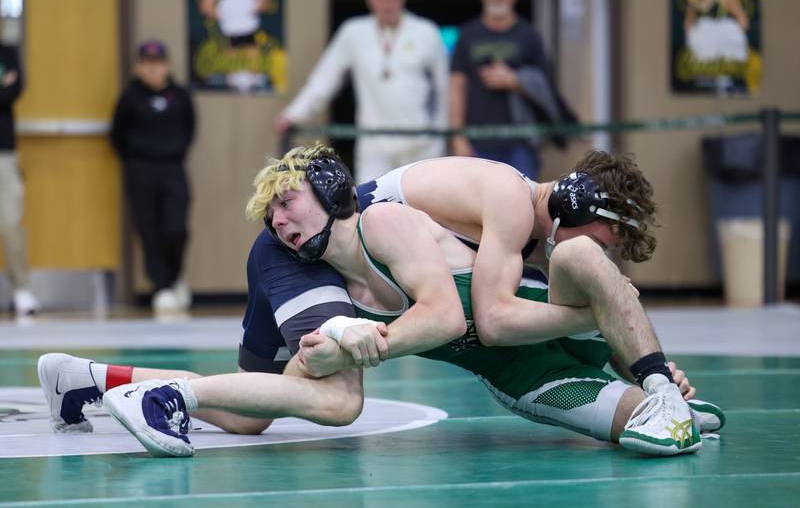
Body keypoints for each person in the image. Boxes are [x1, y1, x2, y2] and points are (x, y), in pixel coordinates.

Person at [39, 146, 723, 457]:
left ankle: (93, 381)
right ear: (582, 204)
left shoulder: (508, 237)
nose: (608, 255)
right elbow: (481, 317)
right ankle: (163, 398)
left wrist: (644, 361)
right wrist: (607, 316)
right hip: (325, 256)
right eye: (611, 239)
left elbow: (535, 302)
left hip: (341, 257)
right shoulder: (504, 206)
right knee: (335, 399)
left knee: (251, 412)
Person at [274, 0, 449, 183]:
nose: (388, 6)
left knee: (422, 206)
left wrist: (441, 137)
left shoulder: (426, 31)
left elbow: (443, 89)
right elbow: (325, 78)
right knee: (370, 205)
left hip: (421, 143)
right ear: (370, 0)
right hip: (373, 143)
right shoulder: (353, 32)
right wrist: (294, 114)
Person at [449, 0, 575, 179]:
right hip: (477, 141)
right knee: (475, 206)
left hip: (520, 143)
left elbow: (547, 86)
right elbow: (456, 85)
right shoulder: (467, 34)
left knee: (523, 201)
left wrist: (516, 81)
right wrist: (458, 136)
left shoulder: (529, 34)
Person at [110, 40, 196, 315]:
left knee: (176, 228)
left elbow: (189, 129)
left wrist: (173, 152)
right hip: (140, 170)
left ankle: (174, 276)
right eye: (146, 64)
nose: (152, 69)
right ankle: (162, 287)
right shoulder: (130, 97)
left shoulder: (180, 96)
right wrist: (136, 159)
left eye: (157, 63)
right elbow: (117, 135)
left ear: (166, 65)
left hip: (172, 168)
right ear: (138, 66)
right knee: (148, 231)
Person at [0, 42, 40, 316]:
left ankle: (21, 288)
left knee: (11, 223)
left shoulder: (8, 52)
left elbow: (13, 92)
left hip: (4, 152)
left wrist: (6, 88)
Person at [684, 0, 749, 63]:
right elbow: (689, 22)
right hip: (702, 50)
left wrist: (729, 36)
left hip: (723, 53)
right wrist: (694, 38)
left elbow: (743, 21)